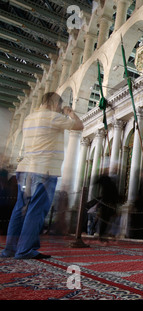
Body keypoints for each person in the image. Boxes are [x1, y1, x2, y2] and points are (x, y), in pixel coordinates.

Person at [1, 92, 83, 259]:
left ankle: (10, 249)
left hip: (24, 169)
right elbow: (79, 125)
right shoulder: (52, 117)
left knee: (20, 208)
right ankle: (25, 250)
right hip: (44, 169)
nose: (60, 109)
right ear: (54, 103)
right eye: (59, 106)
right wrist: (69, 113)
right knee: (36, 209)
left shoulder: (29, 118)